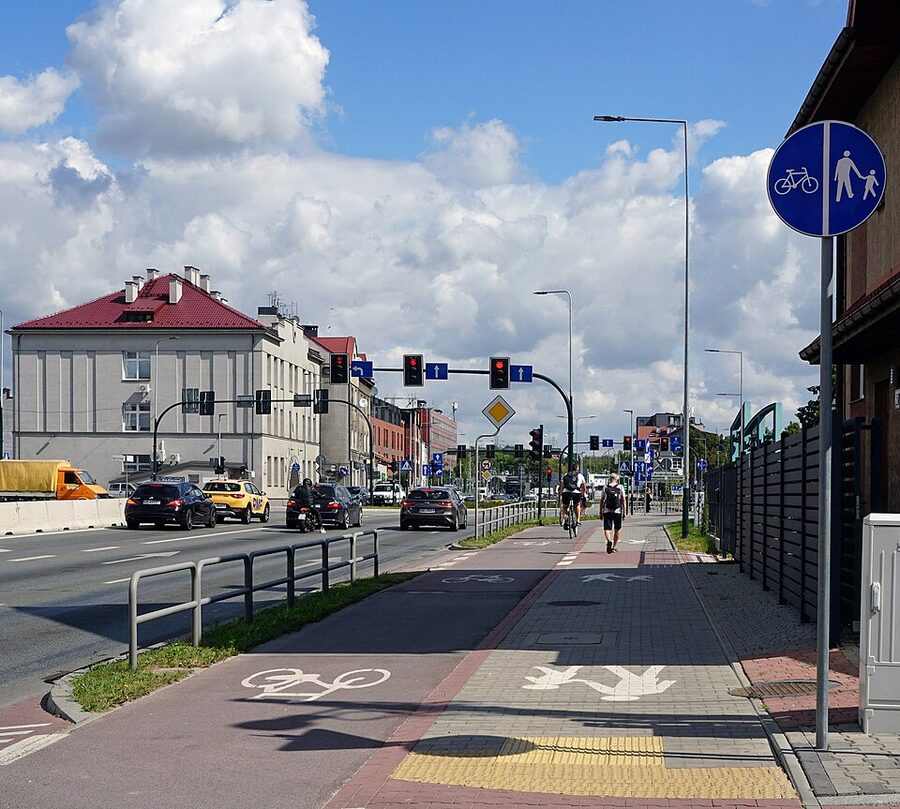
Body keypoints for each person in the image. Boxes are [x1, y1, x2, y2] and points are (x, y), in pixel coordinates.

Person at [600, 472, 627, 553]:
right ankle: (614, 547)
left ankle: (608, 541)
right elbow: (623, 500)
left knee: (607, 529)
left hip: (607, 510)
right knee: (616, 530)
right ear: (617, 479)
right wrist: (625, 512)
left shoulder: (605, 487)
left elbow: (602, 500)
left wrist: (600, 511)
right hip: (617, 511)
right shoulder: (620, 487)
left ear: (610, 479)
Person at [558, 463, 587, 531]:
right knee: (577, 505)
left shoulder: (566, 475)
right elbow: (583, 486)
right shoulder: (580, 476)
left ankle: (566, 517)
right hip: (576, 493)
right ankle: (578, 520)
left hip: (566, 492)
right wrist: (584, 493)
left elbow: (562, 484)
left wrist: (561, 492)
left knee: (565, 506)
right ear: (577, 469)